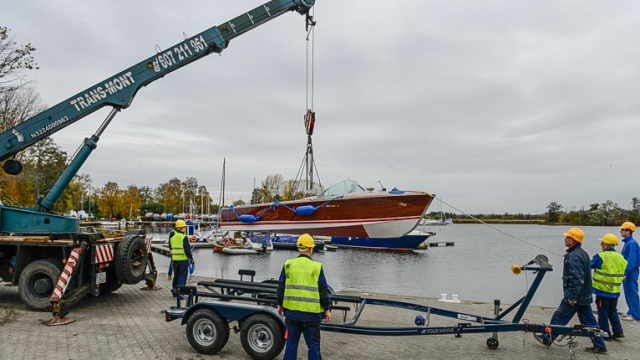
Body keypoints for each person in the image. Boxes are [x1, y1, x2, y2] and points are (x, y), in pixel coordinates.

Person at [533, 228, 607, 353]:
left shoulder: (574, 256)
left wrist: (572, 297)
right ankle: (600, 345)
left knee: (559, 316)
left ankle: (547, 337)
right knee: (589, 322)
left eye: (567, 237)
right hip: (584, 295)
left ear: (572, 241)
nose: (565, 239)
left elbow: (577, 279)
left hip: (576, 296)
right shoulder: (582, 253)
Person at [276, 234, 331, 360]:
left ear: (298, 249)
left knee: (291, 344)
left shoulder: (288, 264)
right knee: (313, 346)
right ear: (311, 249)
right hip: (312, 316)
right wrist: (326, 309)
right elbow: (323, 290)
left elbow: (281, 287)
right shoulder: (317, 267)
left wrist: (279, 304)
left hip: (292, 314)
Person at [590, 233, 627, 340]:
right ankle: (618, 331)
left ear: (606, 245)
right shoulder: (621, 258)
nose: (601, 245)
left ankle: (605, 333)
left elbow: (588, 265)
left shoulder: (601, 256)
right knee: (613, 310)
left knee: (602, 312)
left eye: (602, 243)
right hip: (615, 290)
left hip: (602, 290)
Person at [620, 221, 640, 322]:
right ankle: (631, 311)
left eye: (622, 230)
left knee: (632, 292)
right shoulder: (628, 243)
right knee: (628, 291)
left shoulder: (631, 244)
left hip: (631, 271)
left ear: (628, 231)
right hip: (628, 271)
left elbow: (631, 260)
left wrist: (626, 273)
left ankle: (636, 315)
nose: (621, 232)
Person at [169, 219, 194, 297]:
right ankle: (180, 294)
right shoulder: (184, 237)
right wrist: (191, 258)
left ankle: (175, 291)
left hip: (175, 260)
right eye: (184, 227)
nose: (185, 229)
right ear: (182, 228)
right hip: (183, 260)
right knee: (182, 277)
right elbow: (187, 249)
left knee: (176, 276)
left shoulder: (173, 237)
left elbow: (171, 247)